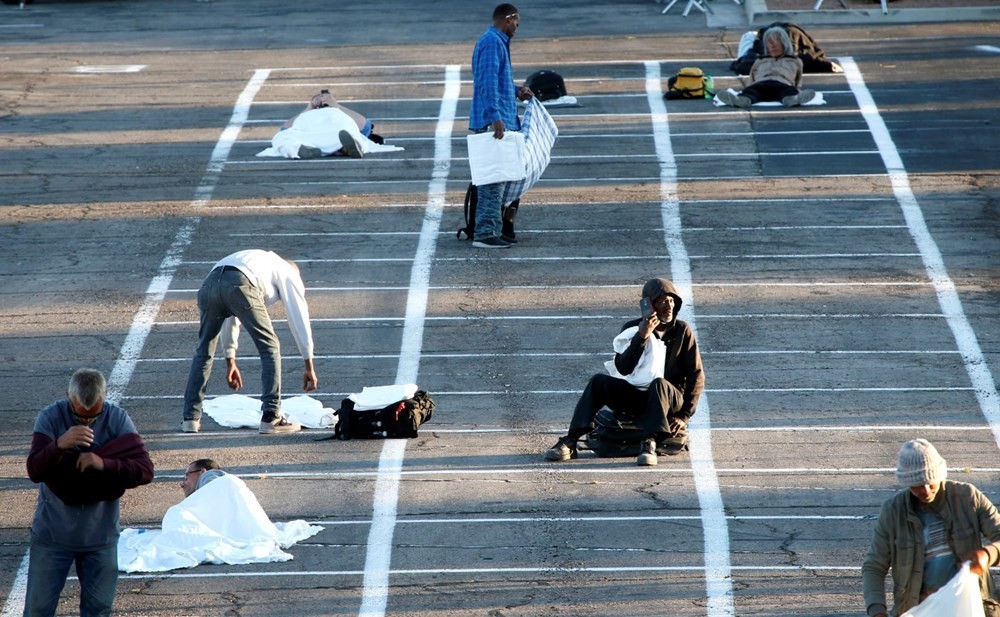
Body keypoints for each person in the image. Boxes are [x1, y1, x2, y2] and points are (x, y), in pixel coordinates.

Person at [24, 368, 154, 617]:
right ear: (67, 397)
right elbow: (35, 470)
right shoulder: (50, 417)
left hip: (100, 538)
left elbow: (145, 471)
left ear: (103, 399)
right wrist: (59, 445)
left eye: (93, 416)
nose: (86, 422)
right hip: (53, 537)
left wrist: (103, 463)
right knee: (38, 610)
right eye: (79, 416)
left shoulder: (117, 419)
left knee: (98, 610)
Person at [544, 277, 705, 466]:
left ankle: (649, 443)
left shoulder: (682, 331)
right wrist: (642, 336)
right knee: (598, 382)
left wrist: (684, 415)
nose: (669, 306)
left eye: (671, 301)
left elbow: (696, 374)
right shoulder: (631, 329)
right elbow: (623, 368)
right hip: (636, 395)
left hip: (668, 398)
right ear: (649, 305)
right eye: (662, 301)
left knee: (658, 384)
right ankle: (571, 440)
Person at [181, 249, 318, 435]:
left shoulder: (260, 260)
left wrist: (230, 359)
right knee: (270, 347)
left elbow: (229, 311)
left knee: (204, 351)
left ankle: (190, 419)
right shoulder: (288, 271)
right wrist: (308, 362)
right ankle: (271, 415)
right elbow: (298, 314)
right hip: (241, 282)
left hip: (210, 284)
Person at [862, 439, 1000, 617]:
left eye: (931, 481)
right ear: (906, 483)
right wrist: (876, 610)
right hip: (918, 609)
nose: (926, 490)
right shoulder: (893, 511)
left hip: (971, 605)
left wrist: (988, 555)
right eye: (918, 485)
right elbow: (874, 566)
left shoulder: (968, 497)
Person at [469, 3, 534, 249]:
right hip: (492, 123)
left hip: (498, 119)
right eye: (516, 24)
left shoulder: (496, 43)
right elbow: (486, 83)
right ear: (508, 19)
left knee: (500, 180)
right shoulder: (492, 43)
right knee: (491, 181)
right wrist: (495, 116)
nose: (517, 29)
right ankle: (485, 234)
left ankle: (493, 228)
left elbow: (497, 81)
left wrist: (517, 91)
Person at [717, 26, 816, 109]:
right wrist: (749, 88)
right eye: (770, 42)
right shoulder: (760, 60)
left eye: (777, 41)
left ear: (784, 43)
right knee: (751, 92)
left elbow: (798, 81)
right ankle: (741, 100)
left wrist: (797, 90)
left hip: (782, 84)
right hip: (761, 84)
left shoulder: (794, 61)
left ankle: (792, 99)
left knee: (789, 91)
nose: (773, 45)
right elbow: (752, 78)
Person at [282, 89, 384, 159]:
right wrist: (310, 107)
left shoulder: (338, 112)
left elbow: (364, 126)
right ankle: (305, 150)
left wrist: (335, 105)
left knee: (351, 133)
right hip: (312, 136)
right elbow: (285, 129)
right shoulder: (308, 114)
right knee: (284, 137)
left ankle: (347, 148)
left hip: (337, 133)